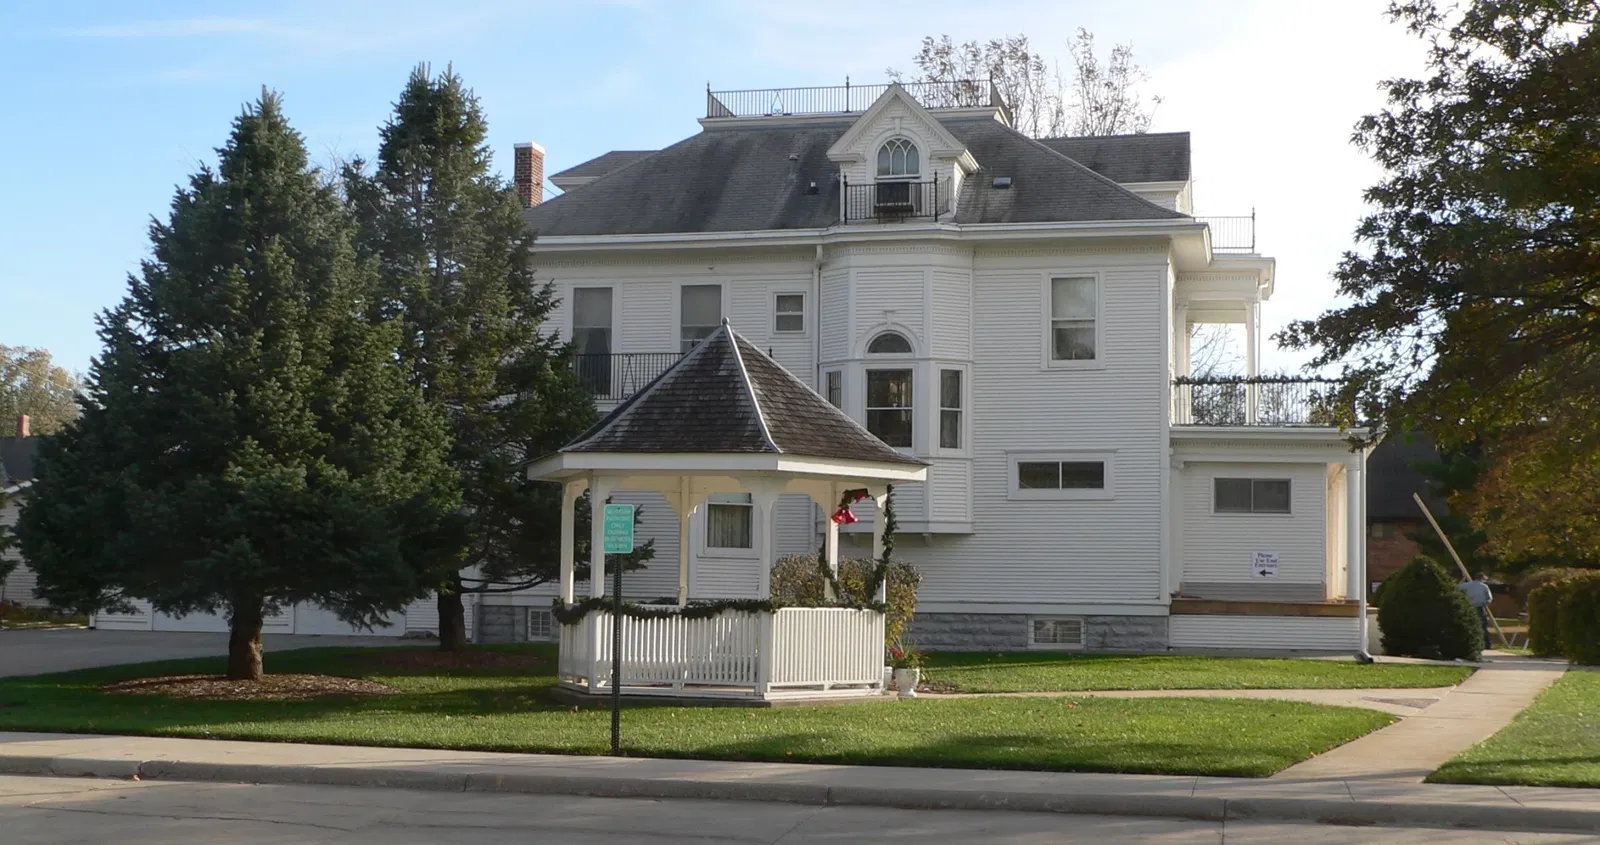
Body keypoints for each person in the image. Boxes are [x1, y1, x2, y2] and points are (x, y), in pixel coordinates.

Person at [1459, 572, 1494, 650]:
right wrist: (1485, 604)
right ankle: (1487, 645)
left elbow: (1457, 587)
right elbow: (1490, 599)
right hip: (1480, 608)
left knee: (1469, 625)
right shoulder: (1484, 586)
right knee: (1483, 626)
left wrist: (1463, 579)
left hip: (1469, 607)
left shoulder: (1468, 585)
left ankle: (1469, 644)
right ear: (1482, 578)